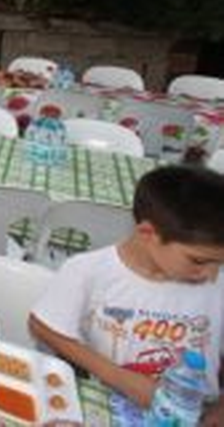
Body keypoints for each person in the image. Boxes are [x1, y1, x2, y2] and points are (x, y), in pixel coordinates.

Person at [30, 165, 224, 418]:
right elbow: (43, 326)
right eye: (199, 261)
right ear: (147, 234)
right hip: (106, 404)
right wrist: (119, 377)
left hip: (194, 411)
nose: (212, 275)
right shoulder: (90, 272)